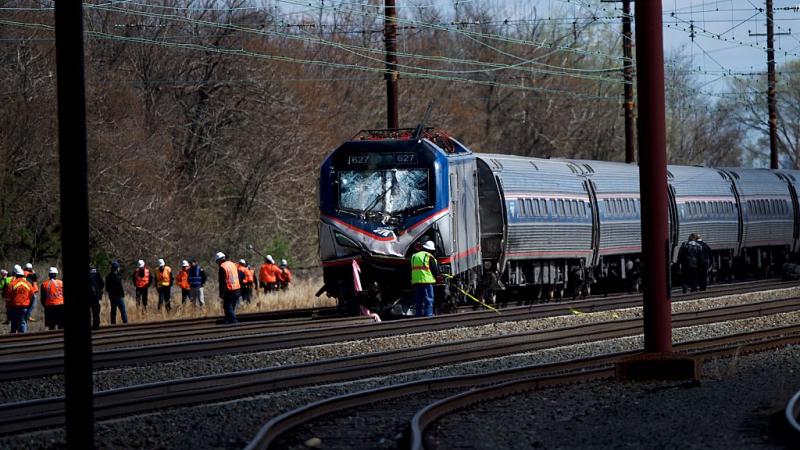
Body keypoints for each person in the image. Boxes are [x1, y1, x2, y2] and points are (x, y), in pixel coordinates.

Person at [411, 240, 439, 317]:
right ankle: (428, 315)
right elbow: (434, 269)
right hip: (426, 281)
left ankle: (418, 316)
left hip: (416, 281)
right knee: (428, 299)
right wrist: (437, 276)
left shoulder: (414, 256)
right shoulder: (429, 256)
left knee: (419, 300)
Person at [216, 252, 241, 324]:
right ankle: (228, 320)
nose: (217, 264)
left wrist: (222, 293)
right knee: (231, 306)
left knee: (227, 306)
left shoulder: (222, 267)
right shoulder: (233, 264)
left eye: (217, 262)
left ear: (219, 260)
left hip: (229, 290)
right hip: (237, 288)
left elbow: (222, 282)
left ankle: (234, 321)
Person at [6, 265, 33, 333]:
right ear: (23, 275)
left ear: (16, 275)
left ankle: (13, 337)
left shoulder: (12, 284)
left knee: (14, 322)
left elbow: (8, 296)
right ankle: (23, 337)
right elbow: (31, 295)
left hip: (14, 307)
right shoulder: (28, 284)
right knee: (23, 322)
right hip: (24, 307)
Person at [105, 260, 128, 325]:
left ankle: (113, 324)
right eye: (118, 267)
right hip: (118, 296)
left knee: (113, 311)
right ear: (117, 268)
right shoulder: (117, 276)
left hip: (112, 296)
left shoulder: (108, 276)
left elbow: (107, 288)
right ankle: (125, 324)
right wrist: (122, 294)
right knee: (123, 310)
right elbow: (119, 287)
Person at [88, 265, 104, 330]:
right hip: (95, 295)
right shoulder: (95, 271)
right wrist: (98, 290)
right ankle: (96, 326)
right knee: (95, 311)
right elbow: (102, 284)